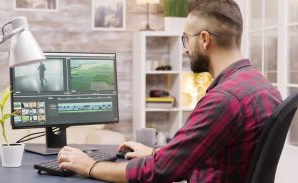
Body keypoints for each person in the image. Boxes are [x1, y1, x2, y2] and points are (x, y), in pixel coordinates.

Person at [57, 0, 283, 182]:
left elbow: (162, 172)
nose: (185, 49)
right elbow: (206, 150)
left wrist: (90, 166)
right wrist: (156, 153)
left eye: (186, 39)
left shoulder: (224, 100)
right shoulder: (262, 86)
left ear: (204, 39)